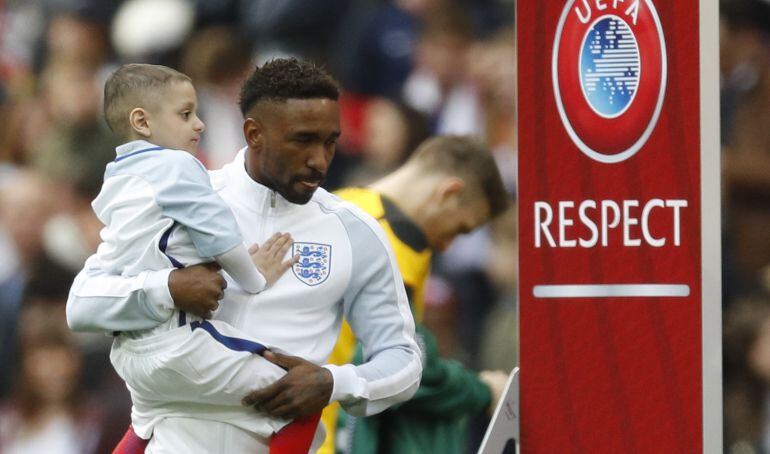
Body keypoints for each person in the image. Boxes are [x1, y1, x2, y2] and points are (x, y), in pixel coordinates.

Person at [66, 57, 422, 453]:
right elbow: (83, 302)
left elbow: (404, 362)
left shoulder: (355, 232)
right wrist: (167, 288)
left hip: (272, 438)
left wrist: (334, 382)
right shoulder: (183, 195)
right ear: (254, 133)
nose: (319, 160)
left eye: (330, 142)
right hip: (170, 434)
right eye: (302, 140)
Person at [68, 62, 307, 450]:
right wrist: (253, 276)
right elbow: (220, 234)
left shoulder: (118, 178)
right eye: (185, 114)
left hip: (130, 354)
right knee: (303, 392)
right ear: (142, 122)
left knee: (147, 424)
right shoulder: (178, 166)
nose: (199, 124)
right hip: (180, 342)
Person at [321, 135, 511, 454]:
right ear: (449, 193)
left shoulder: (338, 203)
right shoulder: (395, 244)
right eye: (460, 229)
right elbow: (407, 368)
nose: (448, 245)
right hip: (335, 439)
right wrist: (483, 391)